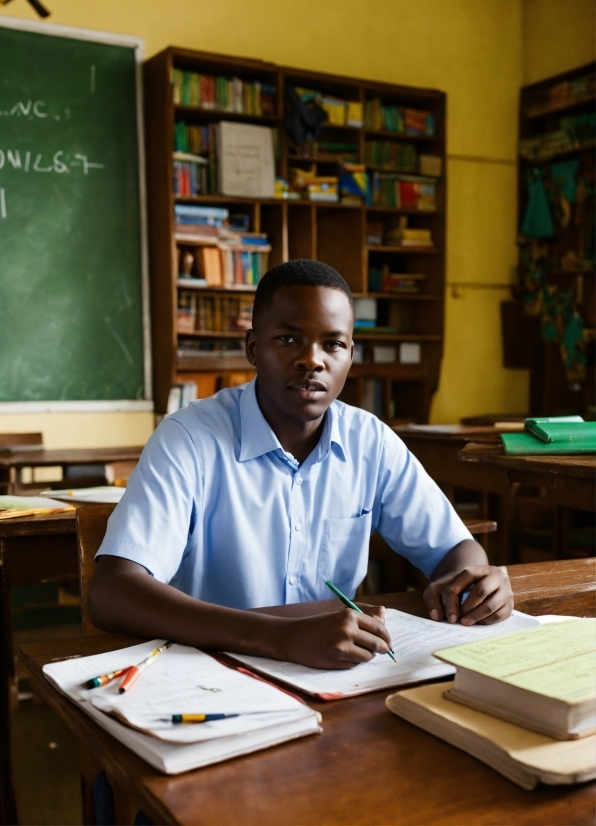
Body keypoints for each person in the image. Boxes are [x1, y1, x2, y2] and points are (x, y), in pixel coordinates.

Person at [90, 259, 513, 669]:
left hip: (334, 672)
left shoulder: (371, 441)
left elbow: (454, 549)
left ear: (350, 354)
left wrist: (474, 586)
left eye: (333, 344)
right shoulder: (188, 439)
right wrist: (280, 637)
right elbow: (114, 593)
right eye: (289, 339)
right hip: (211, 668)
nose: (313, 360)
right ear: (253, 348)